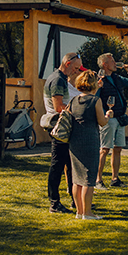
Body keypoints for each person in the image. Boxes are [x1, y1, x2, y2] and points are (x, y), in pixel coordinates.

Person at [67, 70, 115, 220]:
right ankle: (88, 213)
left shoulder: (74, 100)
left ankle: (79, 211)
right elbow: (101, 121)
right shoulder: (95, 101)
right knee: (89, 177)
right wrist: (108, 115)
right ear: (93, 85)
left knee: (77, 178)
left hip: (74, 141)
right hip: (90, 140)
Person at [42, 52, 83, 214]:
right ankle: (54, 203)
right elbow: (59, 107)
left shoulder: (58, 77)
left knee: (70, 165)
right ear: (67, 64)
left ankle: (76, 201)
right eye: (75, 68)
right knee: (58, 165)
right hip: (60, 127)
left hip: (63, 126)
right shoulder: (58, 79)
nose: (76, 71)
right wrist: (79, 113)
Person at [95, 53, 128, 189]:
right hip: (109, 119)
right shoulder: (100, 80)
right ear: (105, 64)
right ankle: (98, 180)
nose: (115, 63)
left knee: (118, 148)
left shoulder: (117, 77)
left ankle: (115, 178)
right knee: (105, 149)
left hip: (120, 117)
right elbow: (95, 98)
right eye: (112, 61)